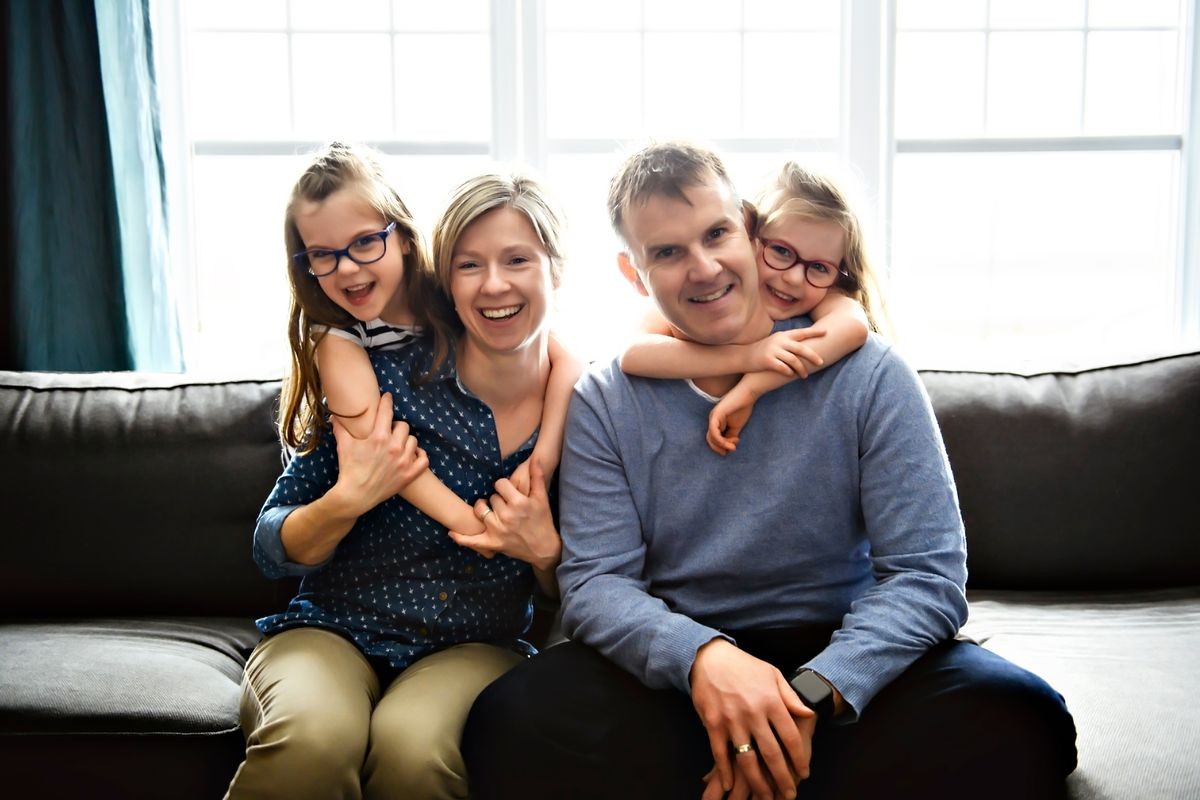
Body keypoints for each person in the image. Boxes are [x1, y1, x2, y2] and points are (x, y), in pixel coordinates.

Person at [462, 141, 1077, 800]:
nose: (702, 268)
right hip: (683, 671)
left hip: (842, 661)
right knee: (507, 725)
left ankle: (761, 765)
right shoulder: (605, 399)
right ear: (633, 272)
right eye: (667, 253)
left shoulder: (871, 374)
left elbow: (927, 577)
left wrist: (809, 698)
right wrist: (706, 661)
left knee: (1026, 718)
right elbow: (596, 586)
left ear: (750, 229)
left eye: (716, 234)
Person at [225, 167, 574, 799]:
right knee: (313, 739)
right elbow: (270, 545)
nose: (494, 284)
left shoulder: (585, 405)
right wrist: (347, 500)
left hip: (475, 643)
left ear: (556, 268)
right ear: (450, 280)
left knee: (413, 750)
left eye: (518, 260)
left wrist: (542, 550)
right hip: (332, 628)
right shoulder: (374, 377)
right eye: (471, 266)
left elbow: (580, 586)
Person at [277, 141, 573, 536]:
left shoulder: (452, 295)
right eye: (323, 254)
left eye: (365, 242)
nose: (347, 268)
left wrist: (545, 457)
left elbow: (564, 358)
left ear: (401, 234)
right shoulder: (337, 336)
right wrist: (478, 527)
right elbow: (388, 455)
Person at [618, 161, 876, 454]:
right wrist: (748, 357)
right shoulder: (686, 311)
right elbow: (633, 354)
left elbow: (853, 326)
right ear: (748, 235)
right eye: (780, 251)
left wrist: (750, 389)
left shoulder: (824, 299)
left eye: (819, 266)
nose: (793, 277)